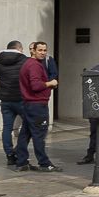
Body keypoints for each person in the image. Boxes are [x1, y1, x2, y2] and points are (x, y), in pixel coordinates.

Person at [18, 41, 60, 171]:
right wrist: (50, 83)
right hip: (37, 104)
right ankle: (44, 163)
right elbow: (35, 85)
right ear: (33, 51)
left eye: (44, 50)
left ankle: (21, 162)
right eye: (40, 50)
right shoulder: (34, 65)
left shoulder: (29, 64)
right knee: (39, 135)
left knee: (25, 134)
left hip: (30, 104)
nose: (42, 53)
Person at [0, 40, 29, 171]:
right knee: (28, 124)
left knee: (7, 128)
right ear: (20, 48)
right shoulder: (25, 60)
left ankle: (9, 154)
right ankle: (19, 150)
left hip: (5, 99)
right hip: (21, 98)